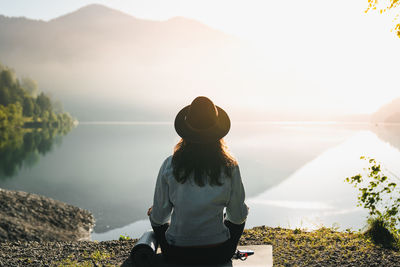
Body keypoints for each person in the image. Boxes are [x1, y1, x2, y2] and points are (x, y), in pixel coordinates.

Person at [147, 96, 248, 265]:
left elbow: (160, 217)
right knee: (241, 212)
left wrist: (154, 214)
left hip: (177, 254)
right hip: (219, 253)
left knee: (155, 217)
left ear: (186, 131)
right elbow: (237, 216)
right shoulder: (230, 167)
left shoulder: (169, 165)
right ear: (217, 132)